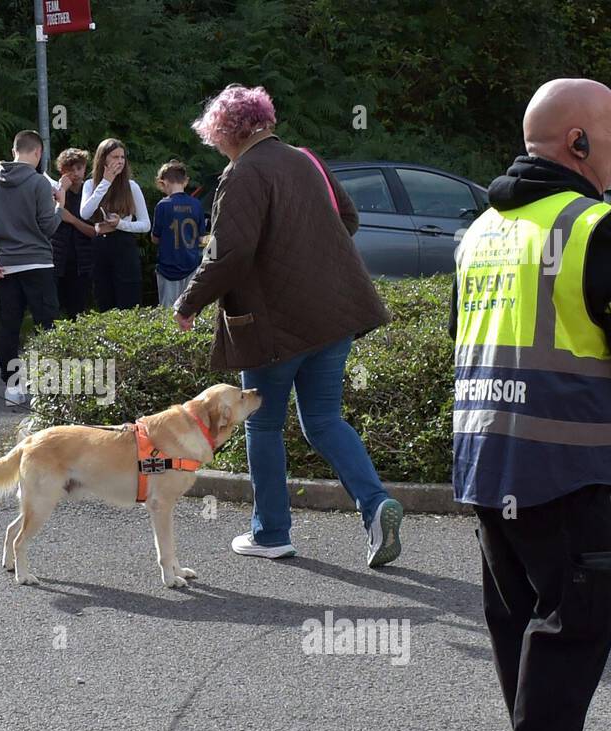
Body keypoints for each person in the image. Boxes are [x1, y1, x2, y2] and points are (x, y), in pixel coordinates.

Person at [451, 78, 611, 731]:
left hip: (487, 465)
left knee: (519, 621)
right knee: (576, 623)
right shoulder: (589, 225)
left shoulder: (483, 229)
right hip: (562, 466)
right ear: (577, 142)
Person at [172, 84, 403, 568]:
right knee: (324, 420)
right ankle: (375, 503)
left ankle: (271, 533)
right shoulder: (305, 160)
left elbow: (228, 253)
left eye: (214, 136)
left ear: (225, 132)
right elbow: (348, 218)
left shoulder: (242, 173)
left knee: (263, 424)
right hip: (334, 315)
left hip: (272, 324)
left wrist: (188, 302)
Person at [0, 130, 66, 404]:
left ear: (14, 151)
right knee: (47, 325)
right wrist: (60, 204)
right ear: (37, 153)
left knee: (8, 327)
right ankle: (48, 389)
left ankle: (12, 387)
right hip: (38, 262)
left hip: (6, 266)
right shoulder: (38, 183)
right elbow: (48, 227)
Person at [80, 138, 151, 310]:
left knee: (129, 298)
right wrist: (105, 182)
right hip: (100, 244)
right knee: (103, 296)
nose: (119, 161)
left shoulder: (131, 186)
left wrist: (121, 224)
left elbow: (145, 224)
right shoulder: (90, 184)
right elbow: (85, 213)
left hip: (124, 243)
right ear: (103, 159)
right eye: (114, 157)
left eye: (122, 157)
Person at [50, 147, 98, 318]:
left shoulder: (92, 194)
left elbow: (96, 232)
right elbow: (47, 225)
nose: (76, 173)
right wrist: (61, 192)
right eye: (70, 170)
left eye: (79, 168)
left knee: (78, 311)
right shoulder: (55, 193)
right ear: (62, 172)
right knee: (53, 310)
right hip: (57, 261)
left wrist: (72, 219)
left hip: (83, 263)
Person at [150, 160, 205, 308]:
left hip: (168, 267)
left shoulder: (162, 205)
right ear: (185, 181)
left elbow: (155, 238)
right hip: (191, 265)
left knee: (168, 312)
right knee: (189, 309)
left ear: (164, 182)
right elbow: (201, 238)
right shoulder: (196, 204)